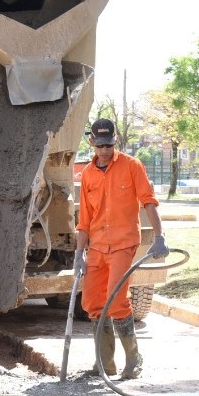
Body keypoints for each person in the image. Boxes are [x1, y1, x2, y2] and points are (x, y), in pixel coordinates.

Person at [74, 118, 168, 379]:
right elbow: (84, 220)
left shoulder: (131, 166)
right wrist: (78, 253)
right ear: (91, 142)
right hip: (97, 246)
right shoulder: (88, 175)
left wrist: (160, 236)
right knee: (92, 302)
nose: (104, 150)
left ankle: (134, 358)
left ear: (115, 141)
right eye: (99, 145)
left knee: (116, 300)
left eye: (109, 144)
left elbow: (148, 201)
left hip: (123, 244)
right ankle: (105, 364)